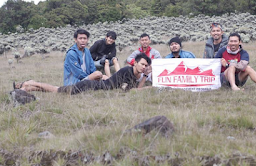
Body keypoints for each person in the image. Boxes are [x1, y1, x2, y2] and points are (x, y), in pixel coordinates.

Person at [14, 53, 152, 95]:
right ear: (135, 63)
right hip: (90, 86)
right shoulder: (128, 71)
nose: (144, 67)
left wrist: (145, 76)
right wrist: (151, 87)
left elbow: (136, 89)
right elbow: (134, 91)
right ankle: (31, 83)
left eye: (146, 65)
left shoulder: (134, 74)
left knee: (58, 91)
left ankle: (30, 88)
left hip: (95, 86)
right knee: (58, 90)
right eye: (142, 64)